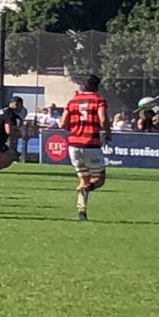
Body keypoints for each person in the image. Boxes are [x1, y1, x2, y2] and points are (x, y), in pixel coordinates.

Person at [60, 74, 111, 221]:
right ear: (96, 86)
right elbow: (103, 119)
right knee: (99, 179)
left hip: (73, 145)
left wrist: (75, 129)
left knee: (83, 178)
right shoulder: (98, 100)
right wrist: (108, 132)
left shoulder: (72, 101)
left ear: (82, 86)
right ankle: (87, 188)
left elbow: (62, 123)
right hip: (90, 144)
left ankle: (81, 211)